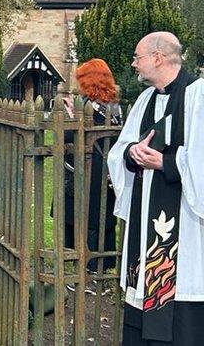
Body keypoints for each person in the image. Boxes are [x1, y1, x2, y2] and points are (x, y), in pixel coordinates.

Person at [106, 32, 204, 345]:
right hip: (144, 221)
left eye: (138, 57)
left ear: (158, 57)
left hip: (185, 230)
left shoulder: (198, 96)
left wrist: (166, 162)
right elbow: (120, 148)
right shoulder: (146, 99)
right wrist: (132, 153)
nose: (134, 63)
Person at [58, 59, 122, 284]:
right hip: (102, 170)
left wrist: (70, 117)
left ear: (91, 80)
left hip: (90, 169)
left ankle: (85, 263)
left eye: (82, 79)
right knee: (97, 215)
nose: (78, 84)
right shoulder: (113, 106)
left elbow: (74, 137)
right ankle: (98, 264)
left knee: (87, 215)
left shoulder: (92, 107)